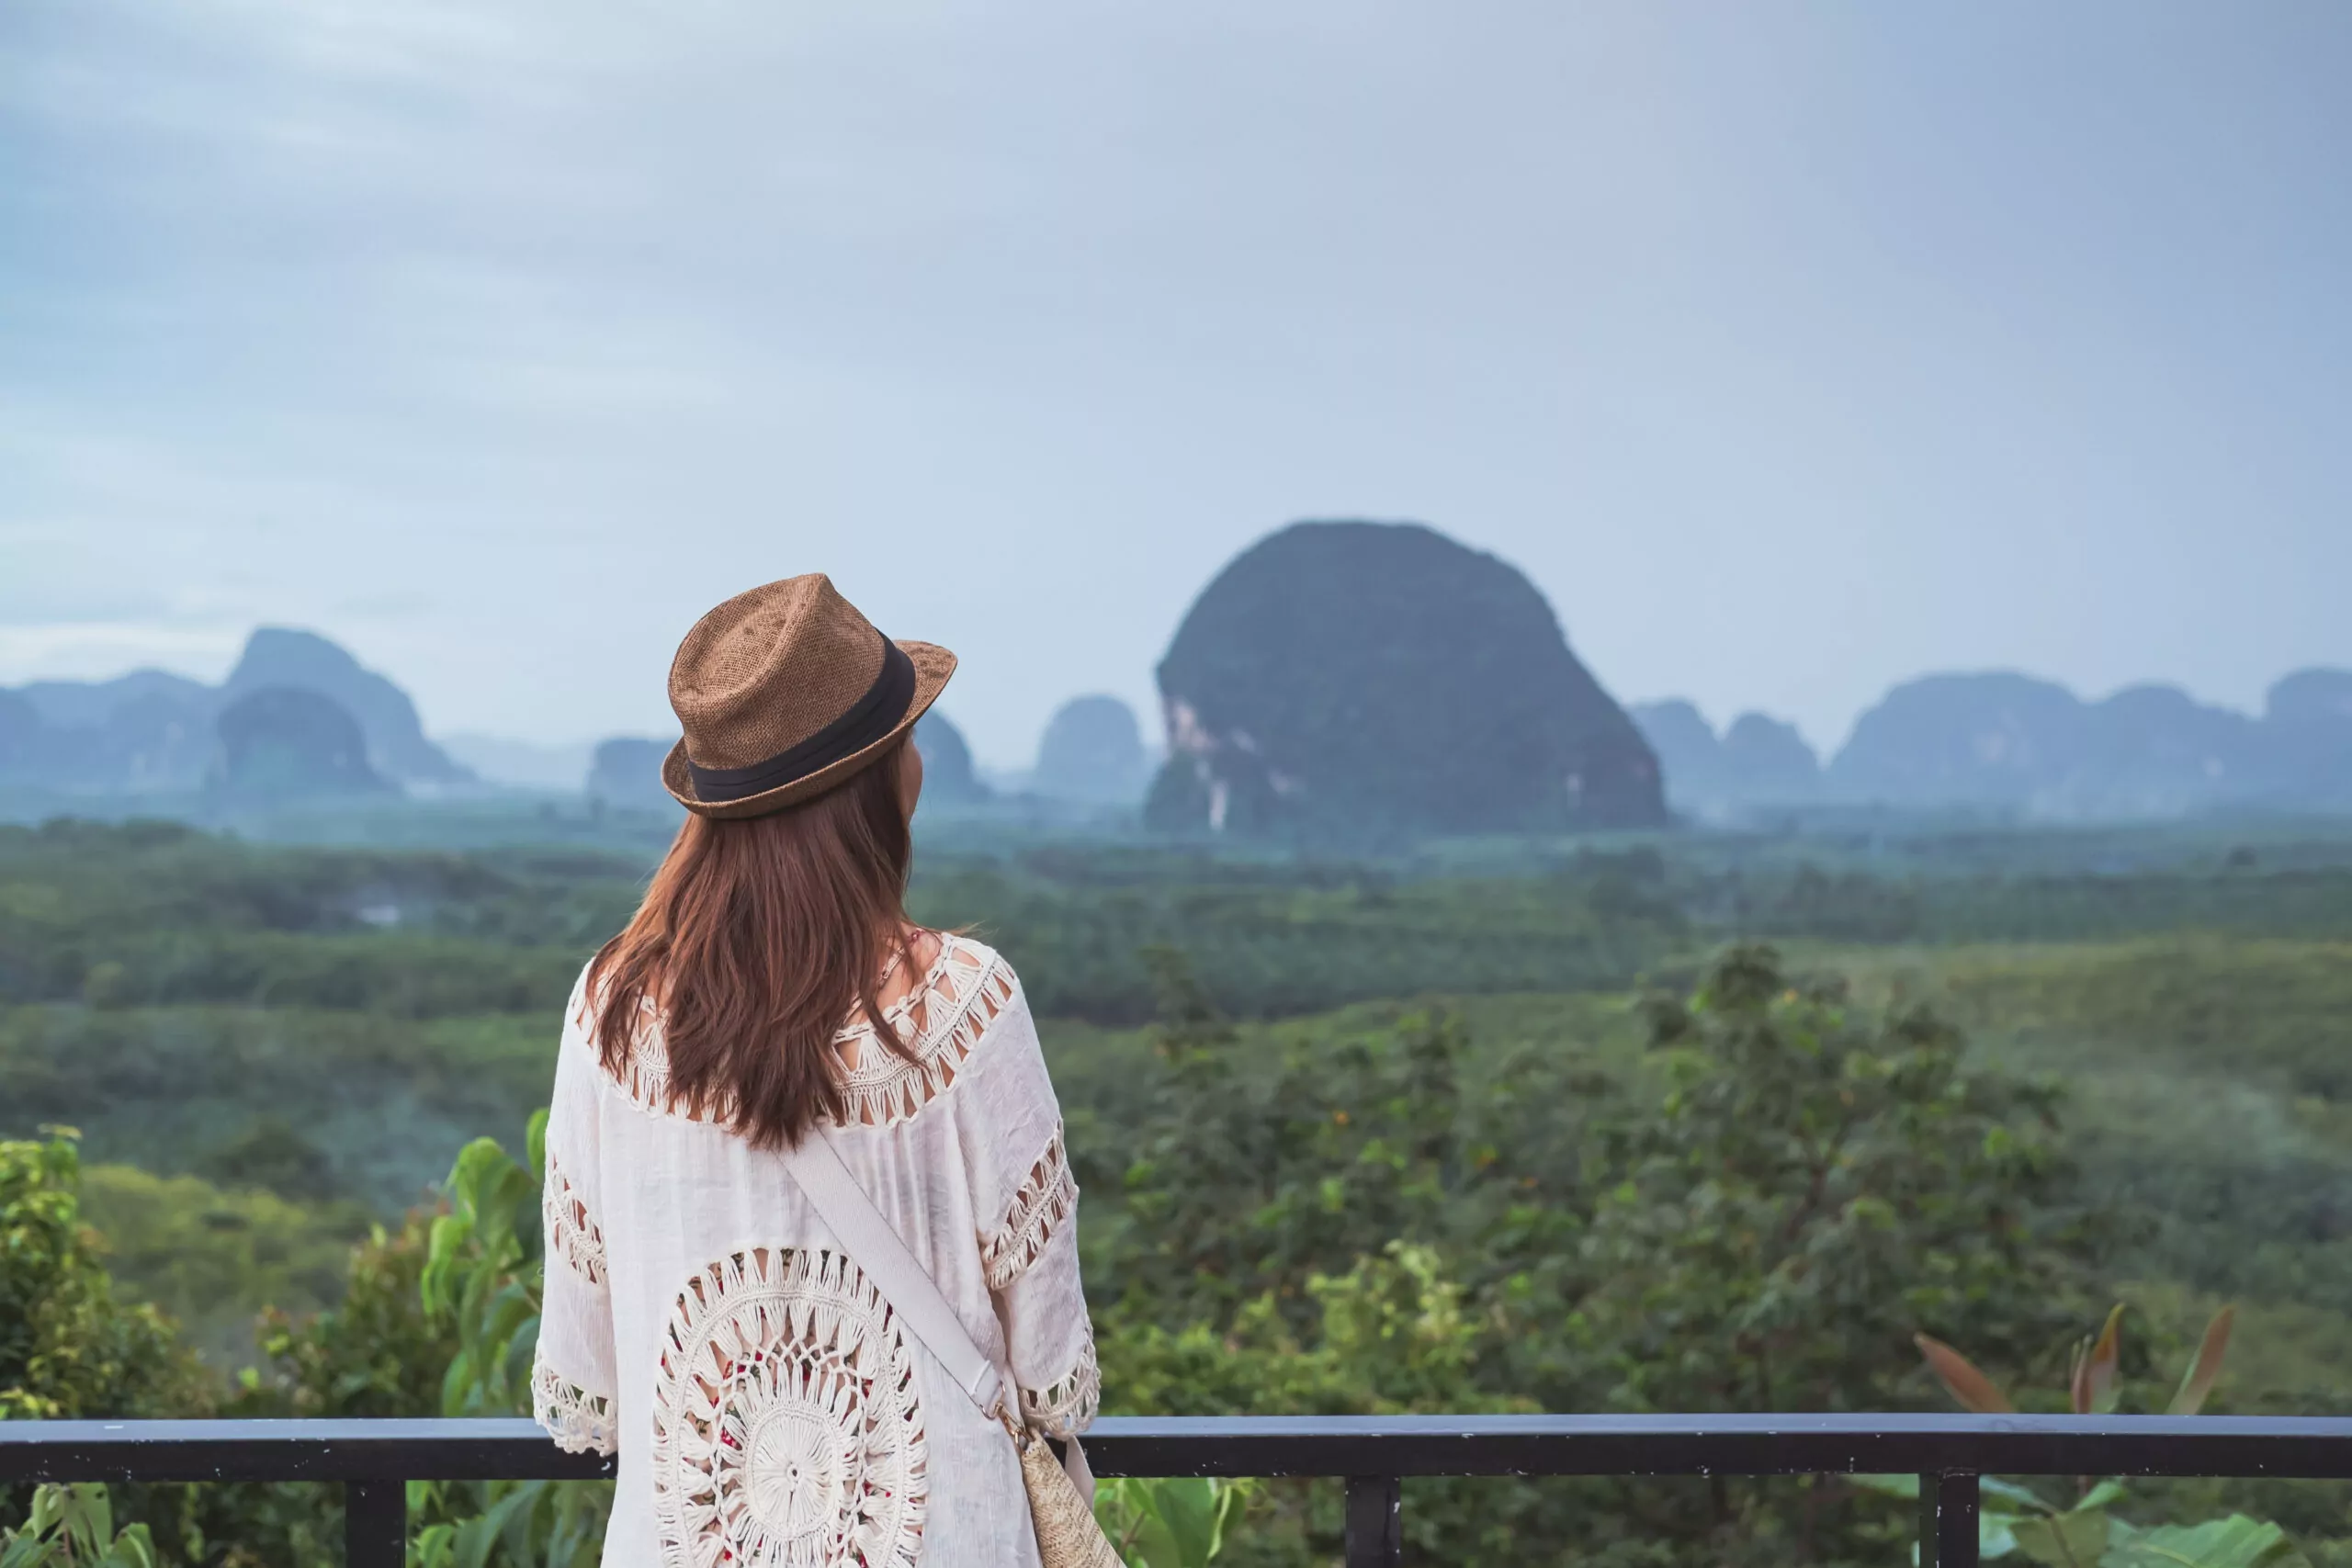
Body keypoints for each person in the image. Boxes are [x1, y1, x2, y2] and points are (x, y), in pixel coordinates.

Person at [530, 574, 1097, 1568]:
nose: (919, 761)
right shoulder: (965, 1008)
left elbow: (588, 1368)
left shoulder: (610, 1012)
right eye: (907, 740)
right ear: (878, 783)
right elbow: (1050, 1372)